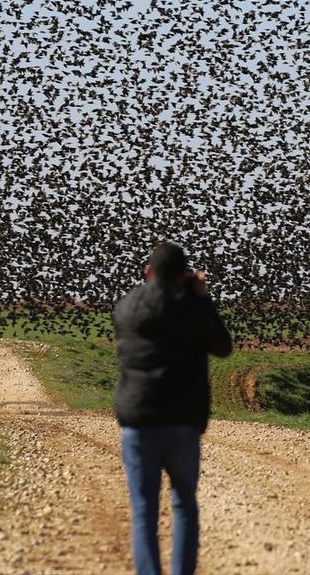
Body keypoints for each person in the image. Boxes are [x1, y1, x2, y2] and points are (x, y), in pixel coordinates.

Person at [113, 241, 233, 575]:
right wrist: (202, 296)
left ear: (147, 273)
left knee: (143, 512)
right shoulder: (194, 308)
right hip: (182, 424)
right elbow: (222, 347)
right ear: (184, 276)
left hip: (138, 423)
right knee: (183, 506)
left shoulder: (125, 307)